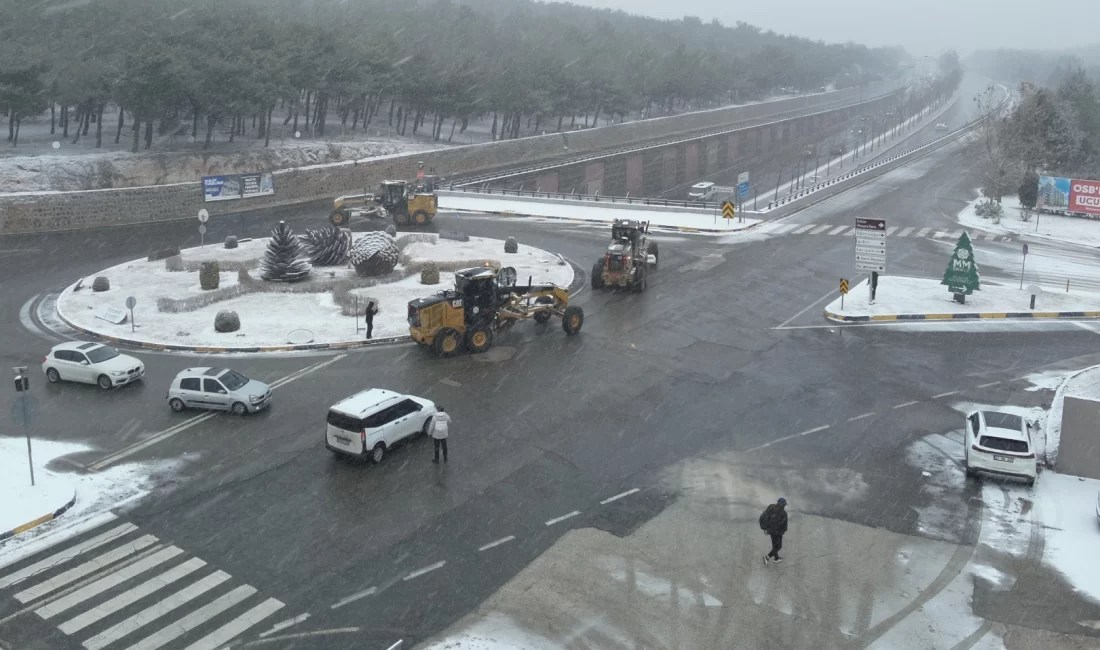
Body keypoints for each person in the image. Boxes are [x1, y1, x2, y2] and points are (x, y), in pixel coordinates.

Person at [760, 497, 788, 565]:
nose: (785, 505)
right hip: (777, 532)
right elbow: (784, 526)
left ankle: (776, 558)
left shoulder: (771, 506)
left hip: (770, 530)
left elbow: (766, 516)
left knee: (774, 545)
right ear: (782, 505)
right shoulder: (783, 513)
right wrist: (783, 531)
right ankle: (767, 557)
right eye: (784, 504)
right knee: (778, 546)